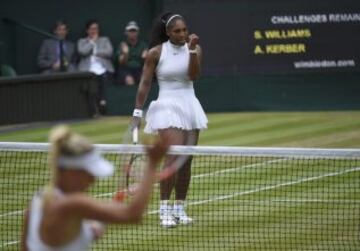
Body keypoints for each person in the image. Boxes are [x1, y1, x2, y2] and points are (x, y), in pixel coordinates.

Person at [21, 125, 168, 251]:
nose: (93, 180)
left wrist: (89, 231)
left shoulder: (36, 202)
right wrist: (153, 163)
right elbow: (132, 214)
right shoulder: (73, 204)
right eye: (88, 173)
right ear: (71, 171)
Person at [131, 12, 208, 228]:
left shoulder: (195, 48)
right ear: (167, 32)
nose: (182, 34)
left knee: (186, 161)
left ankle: (179, 209)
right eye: (177, 31)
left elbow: (194, 76)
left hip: (190, 105)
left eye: (184, 30)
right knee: (172, 159)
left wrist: (192, 50)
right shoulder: (155, 53)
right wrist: (137, 113)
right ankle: (164, 211)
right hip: (166, 106)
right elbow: (145, 83)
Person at [77, 19, 114, 115]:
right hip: (87, 70)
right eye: (92, 29)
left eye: (96, 29)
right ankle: (95, 108)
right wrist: (92, 42)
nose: (94, 31)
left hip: (103, 68)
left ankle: (103, 103)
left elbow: (109, 52)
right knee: (92, 82)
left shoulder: (104, 40)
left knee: (104, 78)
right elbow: (82, 52)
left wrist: (95, 52)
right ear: (87, 30)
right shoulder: (82, 41)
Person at [116, 21, 148, 86]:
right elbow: (121, 63)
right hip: (126, 69)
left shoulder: (143, 45)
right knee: (129, 80)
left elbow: (146, 62)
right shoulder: (122, 45)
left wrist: (145, 57)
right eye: (130, 31)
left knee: (144, 79)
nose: (132, 33)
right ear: (126, 33)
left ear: (138, 32)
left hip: (140, 69)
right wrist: (125, 54)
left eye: (134, 31)